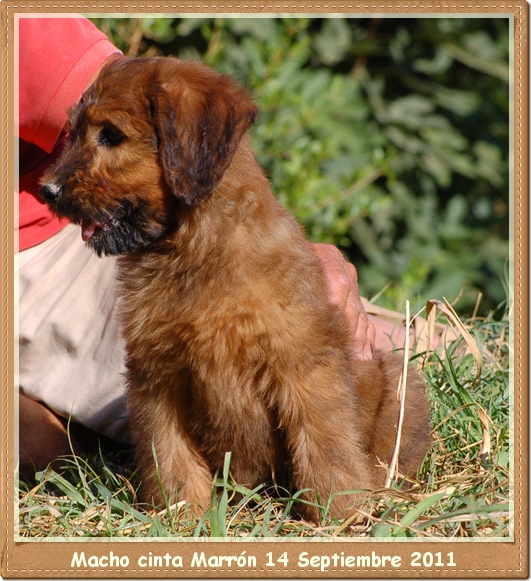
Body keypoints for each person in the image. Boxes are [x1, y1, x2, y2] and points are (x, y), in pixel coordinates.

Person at [17, 17, 415, 478]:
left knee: (380, 351)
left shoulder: (41, 39)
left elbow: (119, 89)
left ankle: (469, 347)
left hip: (51, 248)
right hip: (111, 262)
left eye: (110, 138)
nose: (58, 181)